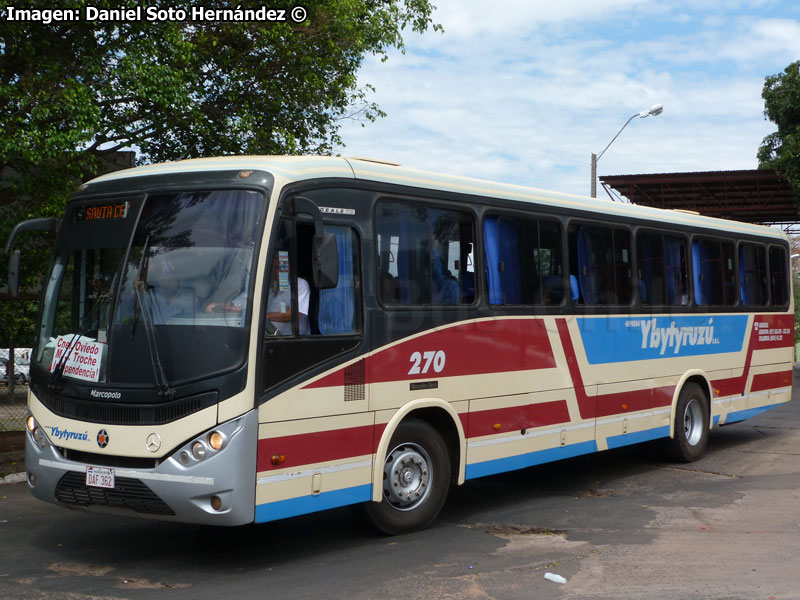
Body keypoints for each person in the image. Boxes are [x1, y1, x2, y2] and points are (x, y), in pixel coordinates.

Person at [266, 256, 310, 335]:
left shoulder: (299, 284)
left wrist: (264, 317)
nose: (282, 271)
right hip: (268, 338)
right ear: (269, 271)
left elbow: (294, 315)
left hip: (293, 341)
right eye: (277, 268)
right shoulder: (265, 287)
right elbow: (242, 302)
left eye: (284, 267)